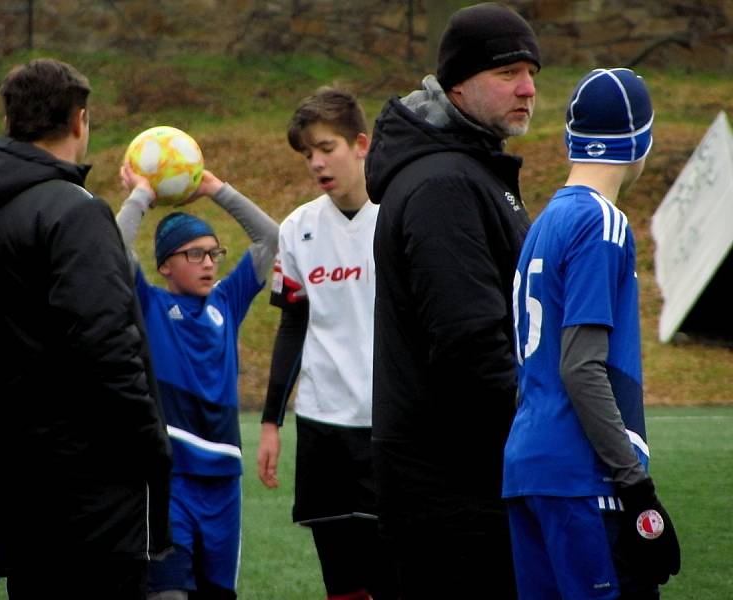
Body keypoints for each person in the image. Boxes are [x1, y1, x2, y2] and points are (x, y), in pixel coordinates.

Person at [0, 58, 172, 600]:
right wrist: (151, 443)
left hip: (13, 471)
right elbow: (107, 344)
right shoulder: (74, 210)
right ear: (79, 121)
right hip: (91, 483)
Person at [364, 3, 540, 597]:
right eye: (508, 72)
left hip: (461, 475)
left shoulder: (469, 169)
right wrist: (540, 434)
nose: (527, 87)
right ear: (458, 84)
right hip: (452, 487)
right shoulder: (444, 183)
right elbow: (470, 344)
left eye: (532, 72)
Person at [502, 67, 680, 599]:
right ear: (639, 141)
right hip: (584, 476)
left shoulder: (543, 224)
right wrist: (635, 483)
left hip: (528, 469)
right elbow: (581, 366)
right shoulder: (601, 222)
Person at [117, 156, 279, 600]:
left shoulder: (227, 301)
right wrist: (141, 195)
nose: (209, 262)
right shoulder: (148, 305)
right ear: (166, 265)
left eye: (214, 253)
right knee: (167, 593)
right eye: (195, 254)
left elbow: (270, 238)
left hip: (224, 480)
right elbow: (112, 246)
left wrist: (215, 188)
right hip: (172, 480)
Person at [257, 88, 396, 600]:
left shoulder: (401, 213)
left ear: (361, 143)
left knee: (398, 574)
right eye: (307, 153)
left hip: (393, 425)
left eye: (326, 147)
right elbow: (293, 326)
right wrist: (271, 421)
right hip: (325, 431)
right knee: (343, 583)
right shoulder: (298, 229)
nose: (316, 162)